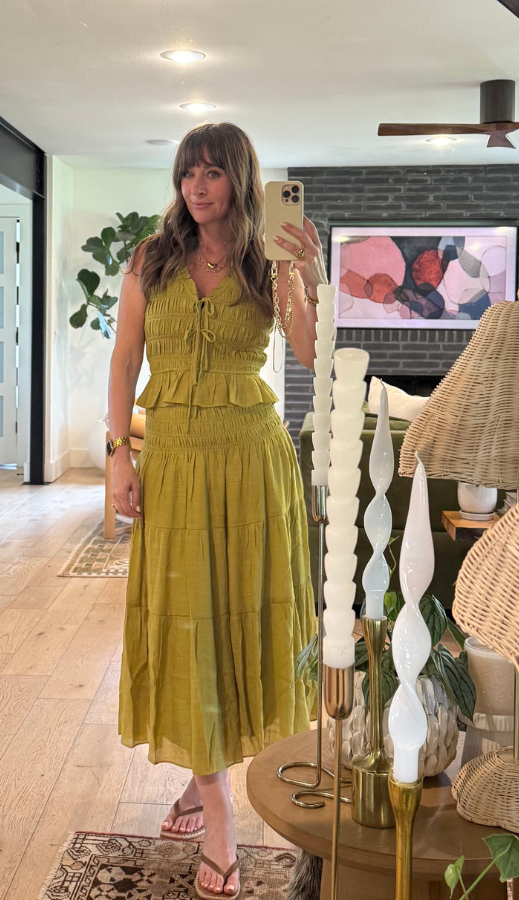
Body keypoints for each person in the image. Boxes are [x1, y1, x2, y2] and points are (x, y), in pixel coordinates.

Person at [108, 122, 326, 899]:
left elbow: (310, 352)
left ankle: (204, 785)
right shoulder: (152, 258)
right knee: (186, 620)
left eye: (212, 173)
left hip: (252, 462)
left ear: (240, 178)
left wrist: (308, 274)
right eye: (186, 173)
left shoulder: (269, 263)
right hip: (174, 462)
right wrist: (118, 454)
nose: (196, 187)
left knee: (241, 617)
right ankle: (220, 810)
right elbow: (125, 359)